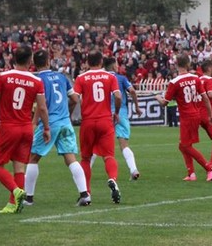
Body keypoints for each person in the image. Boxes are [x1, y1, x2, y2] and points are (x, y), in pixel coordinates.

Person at [0, 45, 50, 214]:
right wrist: (46, 128)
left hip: (9, 128)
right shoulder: (36, 81)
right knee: (19, 167)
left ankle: (15, 190)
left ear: (13, 59)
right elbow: (42, 108)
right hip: (26, 129)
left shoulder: (3, 77)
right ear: (30, 61)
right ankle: (15, 205)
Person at [24, 49, 90, 207]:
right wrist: (67, 112)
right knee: (71, 158)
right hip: (65, 122)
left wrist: (34, 123)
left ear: (35, 63)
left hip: (50, 122)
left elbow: (41, 106)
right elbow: (75, 98)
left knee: (33, 158)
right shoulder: (62, 77)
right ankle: (84, 195)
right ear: (48, 61)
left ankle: (29, 198)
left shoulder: (36, 79)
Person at [155, 54, 212, 182]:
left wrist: (157, 97)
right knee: (183, 145)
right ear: (188, 64)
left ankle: (209, 169)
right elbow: (205, 97)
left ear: (176, 65)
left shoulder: (174, 82)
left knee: (185, 146)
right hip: (196, 114)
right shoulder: (196, 78)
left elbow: (164, 103)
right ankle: (191, 174)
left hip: (187, 117)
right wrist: (210, 114)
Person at [74, 51, 123, 204]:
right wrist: (116, 112)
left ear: (88, 62)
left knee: (86, 158)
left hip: (88, 121)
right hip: (105, 121)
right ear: (101, 62)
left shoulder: (81, 78)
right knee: (109, 156)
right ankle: (112, 179)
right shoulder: (110, 77)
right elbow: (118, 96)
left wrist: (83, 105)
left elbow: (74, 97)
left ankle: (86, 193)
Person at [90, 57, 142, 180]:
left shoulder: (101, 78)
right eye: (117, 64)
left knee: (96, 144)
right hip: (121, 113)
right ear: (114, 66)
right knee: (123, 143)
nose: (118, 66)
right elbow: (132, 91)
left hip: (104, 114)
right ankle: (133, 169)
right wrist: (137, 107)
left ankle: (86, 170)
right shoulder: (121, 78)